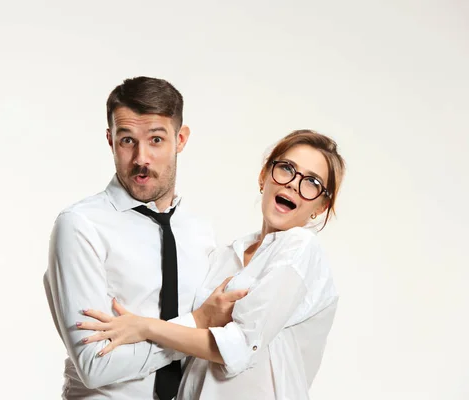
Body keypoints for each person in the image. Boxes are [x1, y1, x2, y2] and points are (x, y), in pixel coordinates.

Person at [77, 129, 346, 399]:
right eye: (287, 168)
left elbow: (240, 347)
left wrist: (145, 327)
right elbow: (190, 339)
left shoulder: (300, 248)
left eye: (311, 181)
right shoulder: (225, 256)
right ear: (264, 175)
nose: (292, 184)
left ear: (321, 206)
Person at [43, 76, 245, 400]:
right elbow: (95, 366)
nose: (141, 159)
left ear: (181, 139)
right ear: (110, 140)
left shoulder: (199, 230)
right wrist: (195, 326)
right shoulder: (81, 226)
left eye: (156, 140)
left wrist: (153, 330)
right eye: (127, 140)